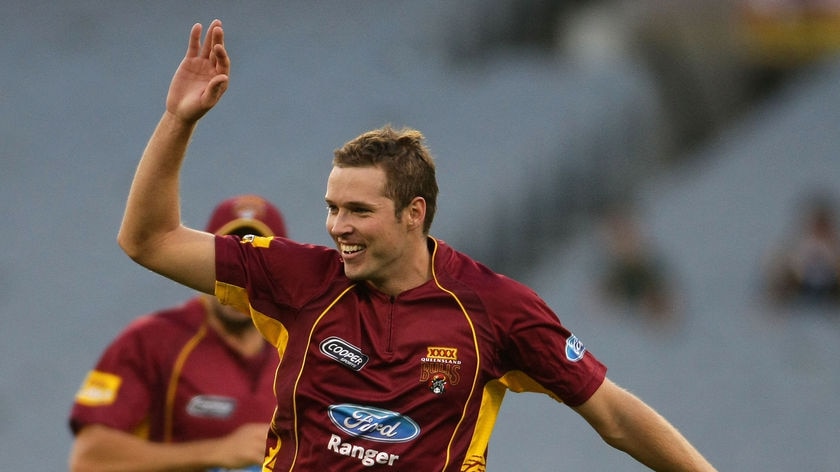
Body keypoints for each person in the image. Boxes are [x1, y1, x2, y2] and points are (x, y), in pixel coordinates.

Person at [115, 20, 716, 471]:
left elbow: (613, 416)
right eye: (331, 208)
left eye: (358, 210)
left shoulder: (495, 309)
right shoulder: (297, 279)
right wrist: (179, 119)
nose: (337, 226)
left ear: (414, 214)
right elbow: (149, 241)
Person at [69, 194, 288, 472]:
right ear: (203, 260)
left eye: (255, 261)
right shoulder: (152, 340)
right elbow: (89, 461)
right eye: (228, 259)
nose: (239, 276)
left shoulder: (307, 345)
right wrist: (217, 451)